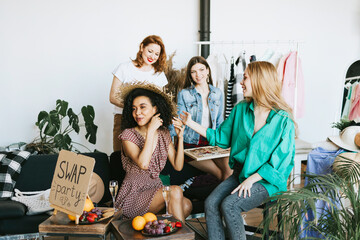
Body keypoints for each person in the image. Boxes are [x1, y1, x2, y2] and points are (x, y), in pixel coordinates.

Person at [180, 61, 296, 240]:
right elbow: (221, 137)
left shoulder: (283, 120)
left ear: (259, 81)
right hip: (241, 174)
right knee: (211, 203)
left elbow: (282, 162)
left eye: (246, 78)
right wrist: (190, 123)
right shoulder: (241, 109)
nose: (241, 82)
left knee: (230, 205)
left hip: (267, 180)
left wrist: (252, 179)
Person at [114, 82, 192, 223]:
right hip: (133, 195)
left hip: (155, 189)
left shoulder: (163, 133)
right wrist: (150, 131)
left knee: (187, 205)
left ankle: (161, 232)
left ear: (155, 108)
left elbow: (178, 166)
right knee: (175, 191)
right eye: (134, 109)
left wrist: (180, 138)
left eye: (143, 107)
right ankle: (183, 238)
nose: (137, 113)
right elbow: (143, 163)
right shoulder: (128, 135)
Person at [177, 56, 233, 181]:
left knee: (229, 171)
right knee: (219, 174)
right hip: (191, 144)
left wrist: (223, 143)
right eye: (194, 72)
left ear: (208, 70)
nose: (198, 75)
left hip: (211, 141)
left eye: (201, 70)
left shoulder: (217, 93)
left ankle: (227, 201)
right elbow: (179, 122)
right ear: (190, 75)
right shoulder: (184, 94)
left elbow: (219, 122)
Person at [109, 35, 168, 152]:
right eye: (150, 51)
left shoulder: (159, 74)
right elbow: (112, 97)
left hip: (148, 122)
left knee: (145, 158)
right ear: (142, 47)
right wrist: (134, 109)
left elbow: (160, 102)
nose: (152, 56)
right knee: (119, 156)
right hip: (123, 118)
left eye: (156, 54)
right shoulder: (124, 68)